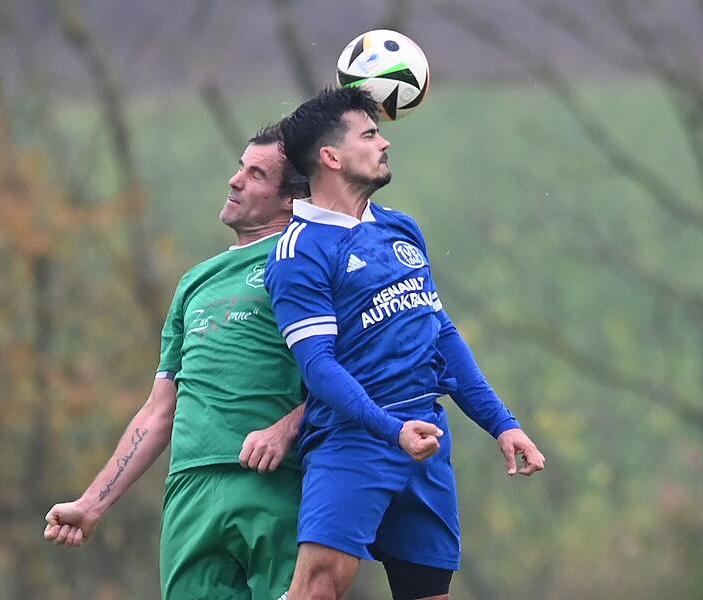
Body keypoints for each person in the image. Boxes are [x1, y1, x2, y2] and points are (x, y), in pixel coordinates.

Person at [264, 87, 546, 600]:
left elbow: (443, 338)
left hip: (426, 439)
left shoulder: (401, 228)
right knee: (318, 588)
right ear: (331, 157)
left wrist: (503, 424)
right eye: (370, 134)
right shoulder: (298, 251)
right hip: (355, 440)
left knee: (427, 594)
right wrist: (390, 430)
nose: (385, 143)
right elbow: (319, 368)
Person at [44, 124, 310, 600]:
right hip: (189, 489)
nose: (234, 180)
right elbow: (159, 410)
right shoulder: (194, 282)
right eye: (239, 167)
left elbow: (358, 368)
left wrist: (288, 427)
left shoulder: (302, 259)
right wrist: (92, 503)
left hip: (273, 483)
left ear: (290, 198)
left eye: (256, 174)